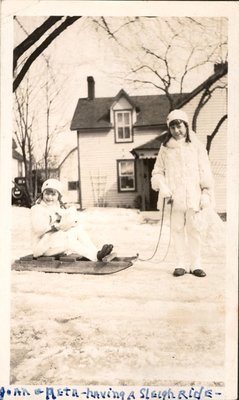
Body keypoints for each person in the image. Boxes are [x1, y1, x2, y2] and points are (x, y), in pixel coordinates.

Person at [151, 109, 215, 277]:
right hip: (174, 198)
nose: (176, 131)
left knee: (194, 229)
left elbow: (205, 171)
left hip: (194, 196)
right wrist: (162, 185)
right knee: (177, 230)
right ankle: (181, 263)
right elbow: (157, 171)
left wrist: (206, 192)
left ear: (185, 126)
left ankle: (196, 264)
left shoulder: (197, 147)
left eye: (179, 126)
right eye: (172, 128)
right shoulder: (165, 148)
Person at [30, 178, 113, 261]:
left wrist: (71, 222)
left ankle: (97, 253)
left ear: (58, 196)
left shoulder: (56, 208)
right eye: (47, 194)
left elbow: (66, 221)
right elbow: (38, 229)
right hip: (42, 248)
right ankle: (95, 257)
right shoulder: (37, 209)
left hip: (52, 244)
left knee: (77, 229)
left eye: (53, 195)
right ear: (42, 194)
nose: (49, 197)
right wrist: (57, 226)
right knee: (69, 240)